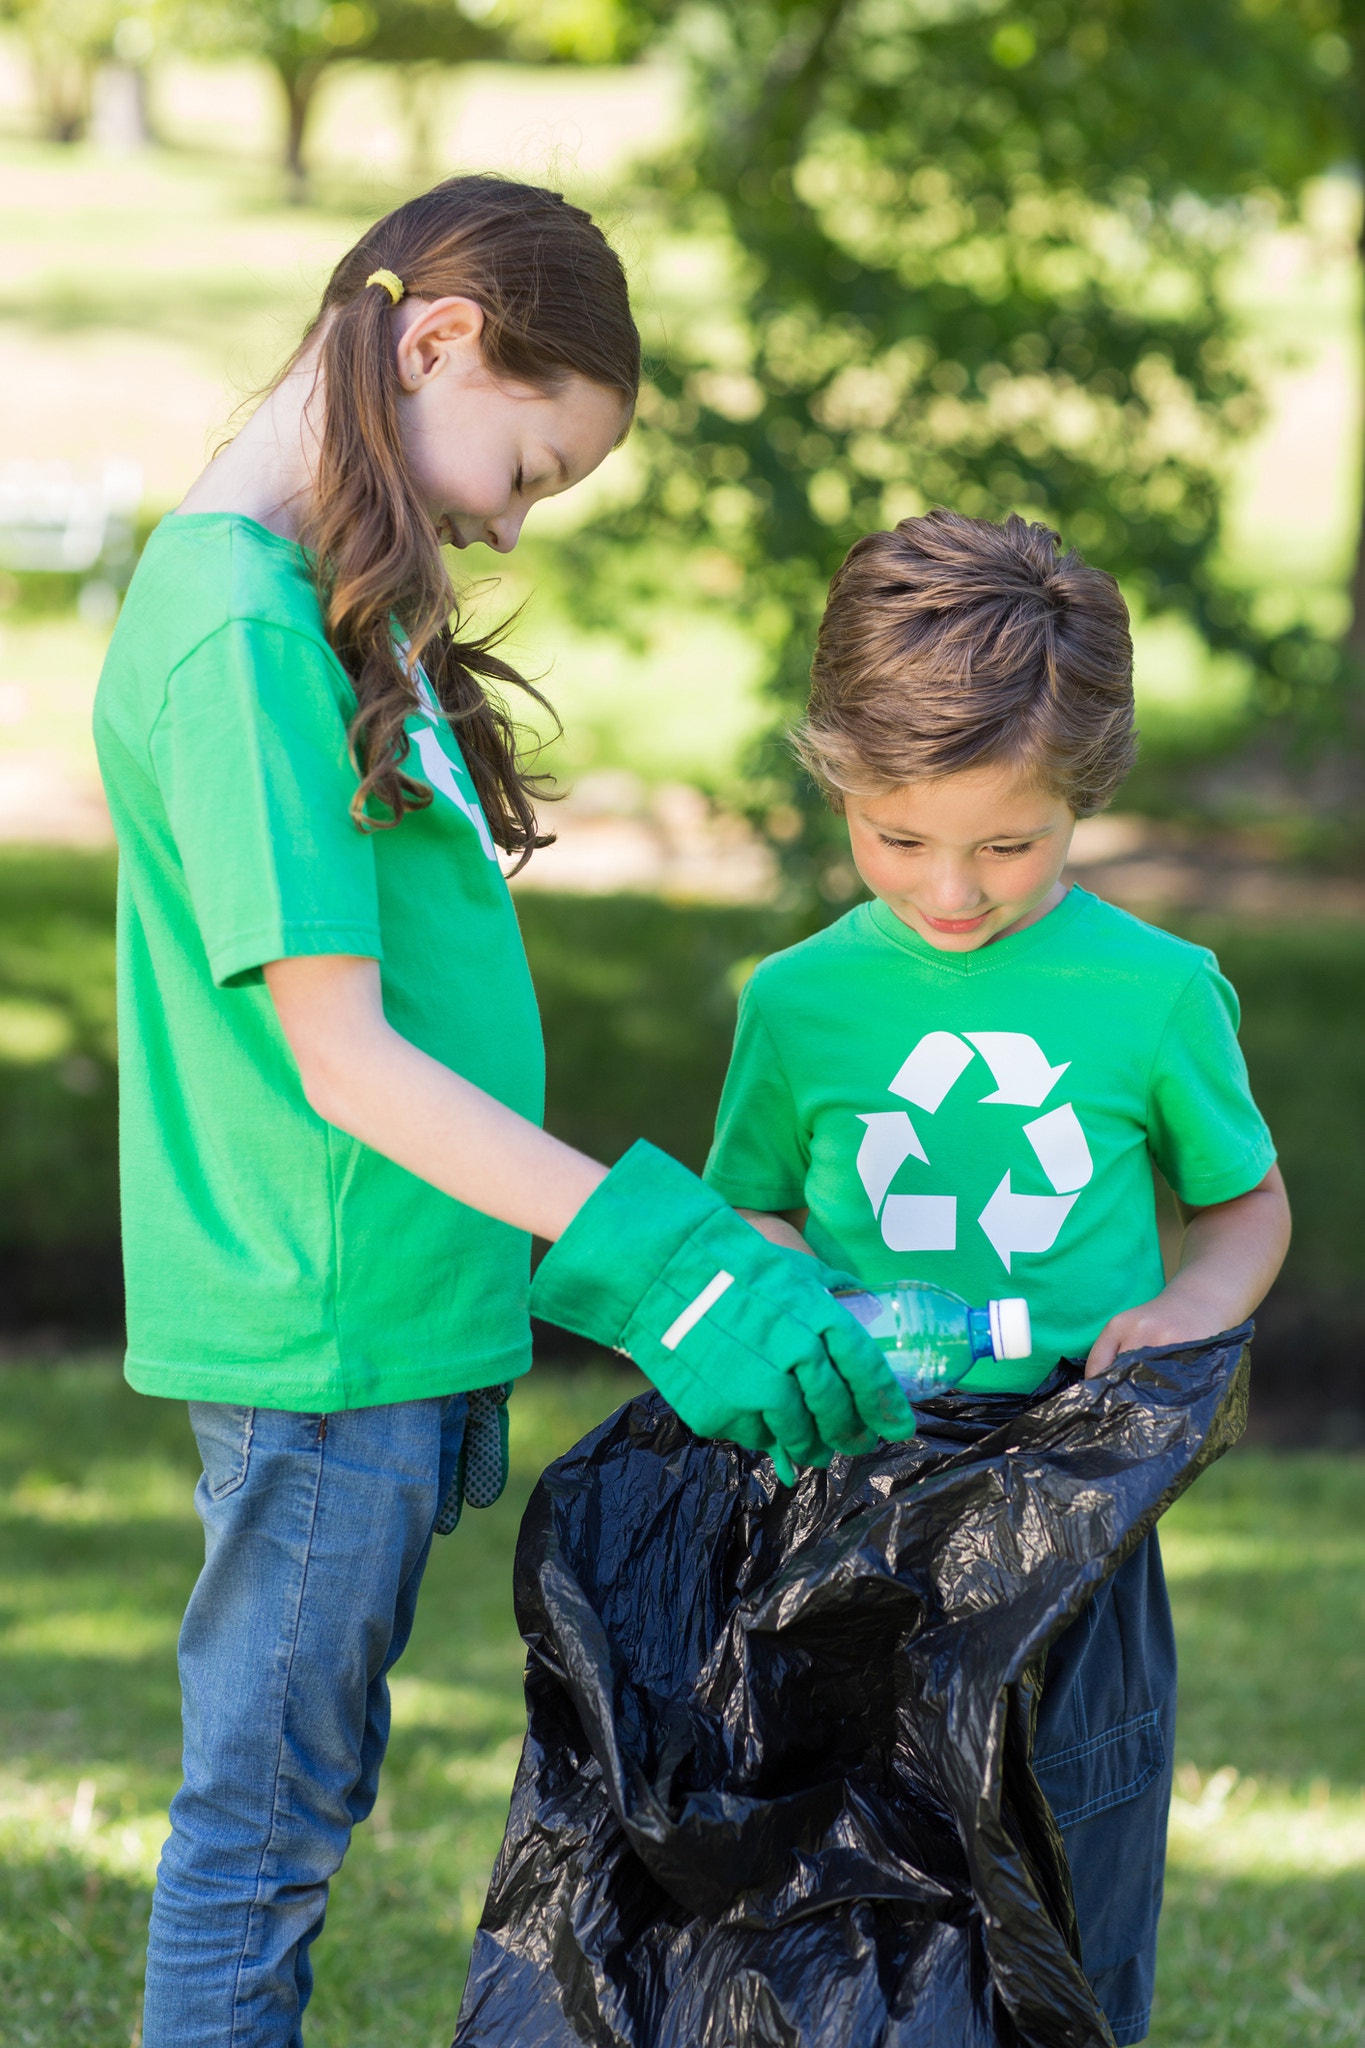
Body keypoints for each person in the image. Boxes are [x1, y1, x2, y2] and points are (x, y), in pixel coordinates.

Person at [93, 174, 915, 2048]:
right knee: (268, 1818)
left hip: (385, 1300)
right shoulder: (237, 630)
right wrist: (656, 1261)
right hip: (319, 1324)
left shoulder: (315, 596)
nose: (499, 518)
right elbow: (343, 1059)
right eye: (525, 471)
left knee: (304, 1787)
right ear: (435, 341)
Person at [703, 508, 1291, 2044]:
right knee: (850, 1897)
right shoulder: (800, 1001)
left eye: (1006, 845)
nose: (949, 891)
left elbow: (1243, 1212)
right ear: (835, 778)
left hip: (1066, 1517)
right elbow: (746, 1215)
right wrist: (784, 1298)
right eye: (897, 838)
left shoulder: (1156, 994)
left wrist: (1181, 1308)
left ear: (1083, 794)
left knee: (1067, 1877)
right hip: (847, 1504)